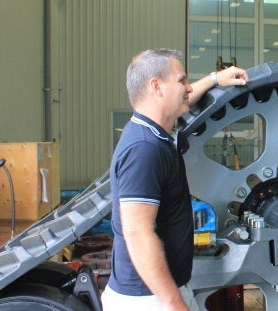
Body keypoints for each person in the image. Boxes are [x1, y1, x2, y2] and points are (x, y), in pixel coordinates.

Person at [101, 48, 249, 311]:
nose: (188, 88)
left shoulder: (153, 132)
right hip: (148, 298)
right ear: (156, 87)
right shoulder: (144, 149)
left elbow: (186, 102)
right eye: (181, 80)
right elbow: (137, 233)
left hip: (159, 290)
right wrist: (174, 304)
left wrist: (215, 79)